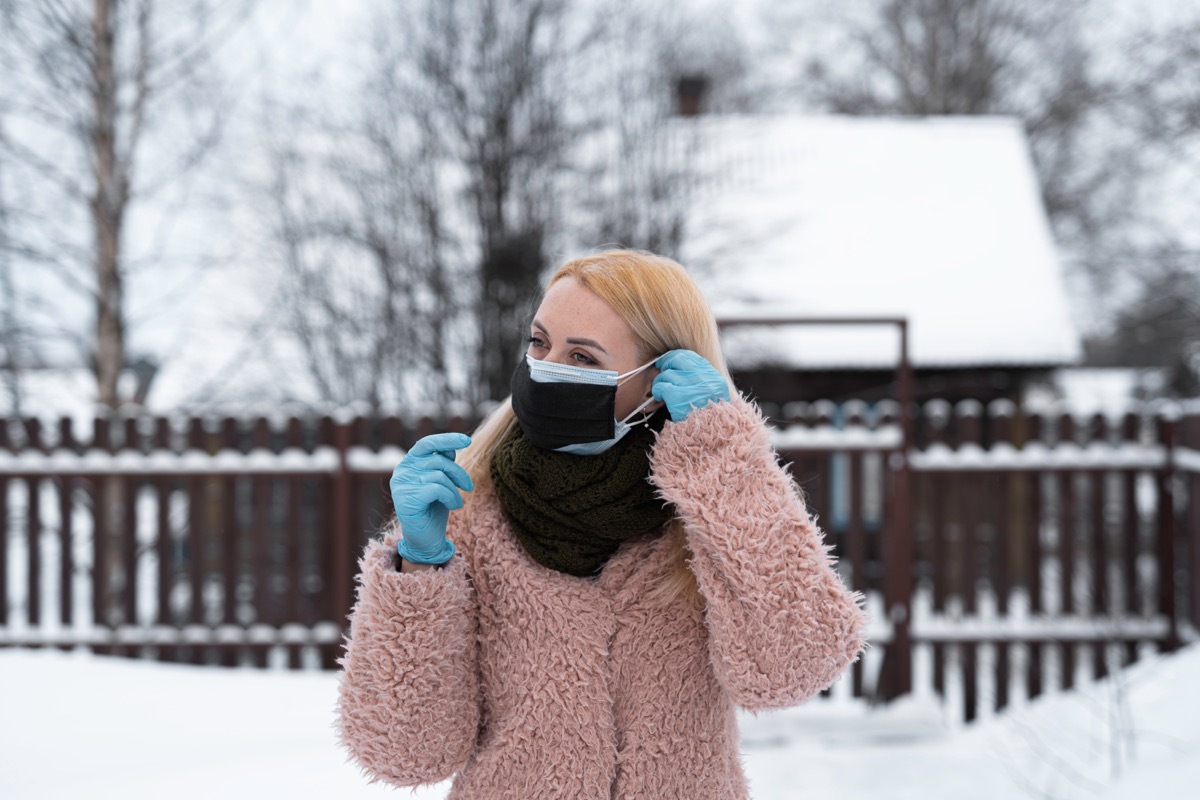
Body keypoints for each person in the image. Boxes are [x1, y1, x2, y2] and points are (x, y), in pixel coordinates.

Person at [337, 250, 866, 799]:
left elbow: (795, 667)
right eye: (540, 343)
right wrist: (418, 568)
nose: (547, 369)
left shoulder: (710, 510)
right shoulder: (467, 510)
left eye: (584, 358)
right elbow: (401, 753)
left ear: (658, 377)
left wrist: (723, 464)